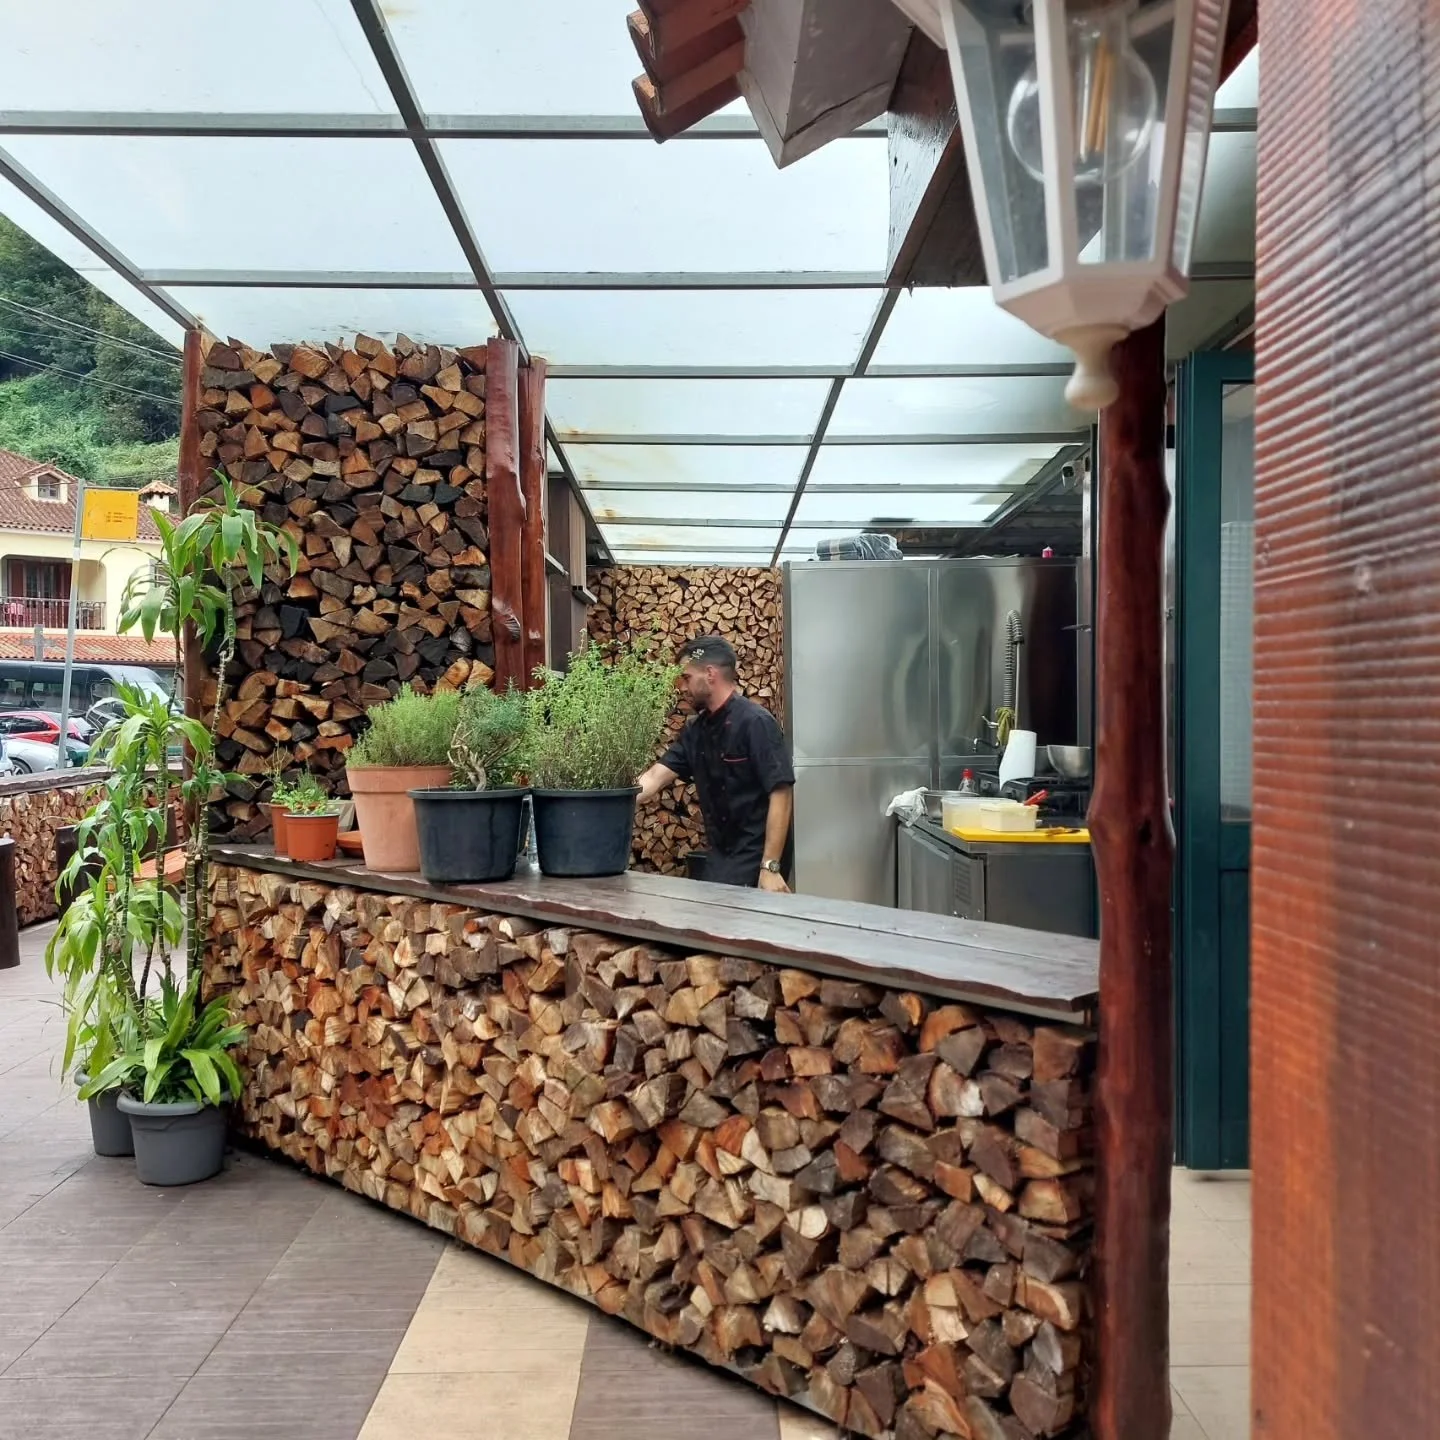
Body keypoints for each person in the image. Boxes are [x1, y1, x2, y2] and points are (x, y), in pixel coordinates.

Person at [637, 636, 795, 892]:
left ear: (710, 673)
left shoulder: (755, 723)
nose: (681, 687)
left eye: (686, 677)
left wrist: (770, 867)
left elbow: (781, 791)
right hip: (720, 856)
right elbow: (655, 777)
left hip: (756, 858)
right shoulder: (696, 730)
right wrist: (613, 799)